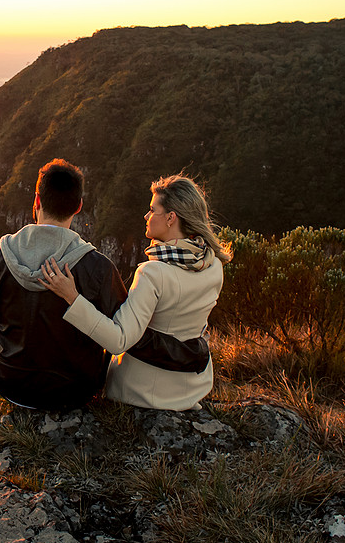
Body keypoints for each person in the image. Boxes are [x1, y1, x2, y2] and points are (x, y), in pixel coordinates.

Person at [0, 159, 128, 440]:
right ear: (78, 206)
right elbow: (118, 333)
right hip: (79, 390)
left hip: (14, 383)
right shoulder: (99, 267)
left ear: (37, 200)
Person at [40, 174, 231, 411]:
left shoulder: (153, 274)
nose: (146, 216)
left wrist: (72, 297)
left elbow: (118, 340)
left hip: (142, 390)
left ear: (171, 218)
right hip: (191, 386)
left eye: (152, 210)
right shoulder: (214, 265)